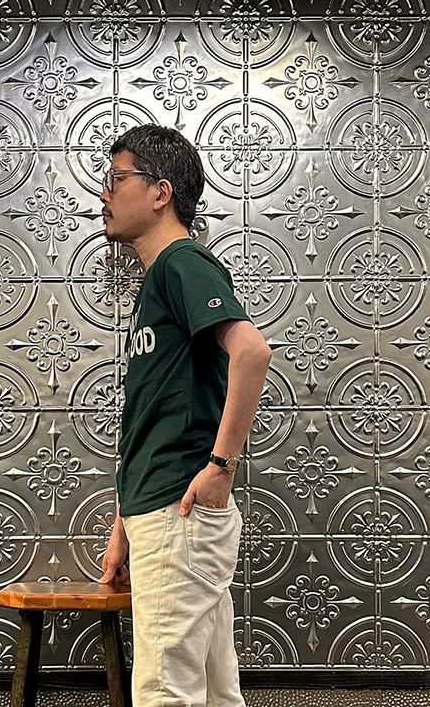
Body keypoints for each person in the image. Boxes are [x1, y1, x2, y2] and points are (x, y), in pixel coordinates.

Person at [97, 124, 271, 707]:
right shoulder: (161, 278)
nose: (105, 193)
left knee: (165, 692)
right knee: (214, 693)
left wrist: (222, 465)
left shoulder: (181, 262)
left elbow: (252, 351)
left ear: (160, 192)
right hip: (162, 511)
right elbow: (153, 418)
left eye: (117, 178)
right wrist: (124, 526)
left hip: (180, 511)